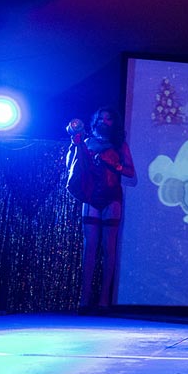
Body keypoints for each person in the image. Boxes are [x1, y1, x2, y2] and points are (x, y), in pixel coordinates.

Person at [66, 107, 135, 311]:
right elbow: (71, 165)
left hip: (112, 197)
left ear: (114, 122)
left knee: (109, 248)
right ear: (95, 121)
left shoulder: (120, 145)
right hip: (91, 196)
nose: (104, 122)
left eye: (108, 119)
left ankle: (104, 299)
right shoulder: (87, 142)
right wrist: (76, 143)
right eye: (101, 118)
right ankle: (85, 298)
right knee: (90, 248)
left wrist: (115, 165)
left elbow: (130, 172)